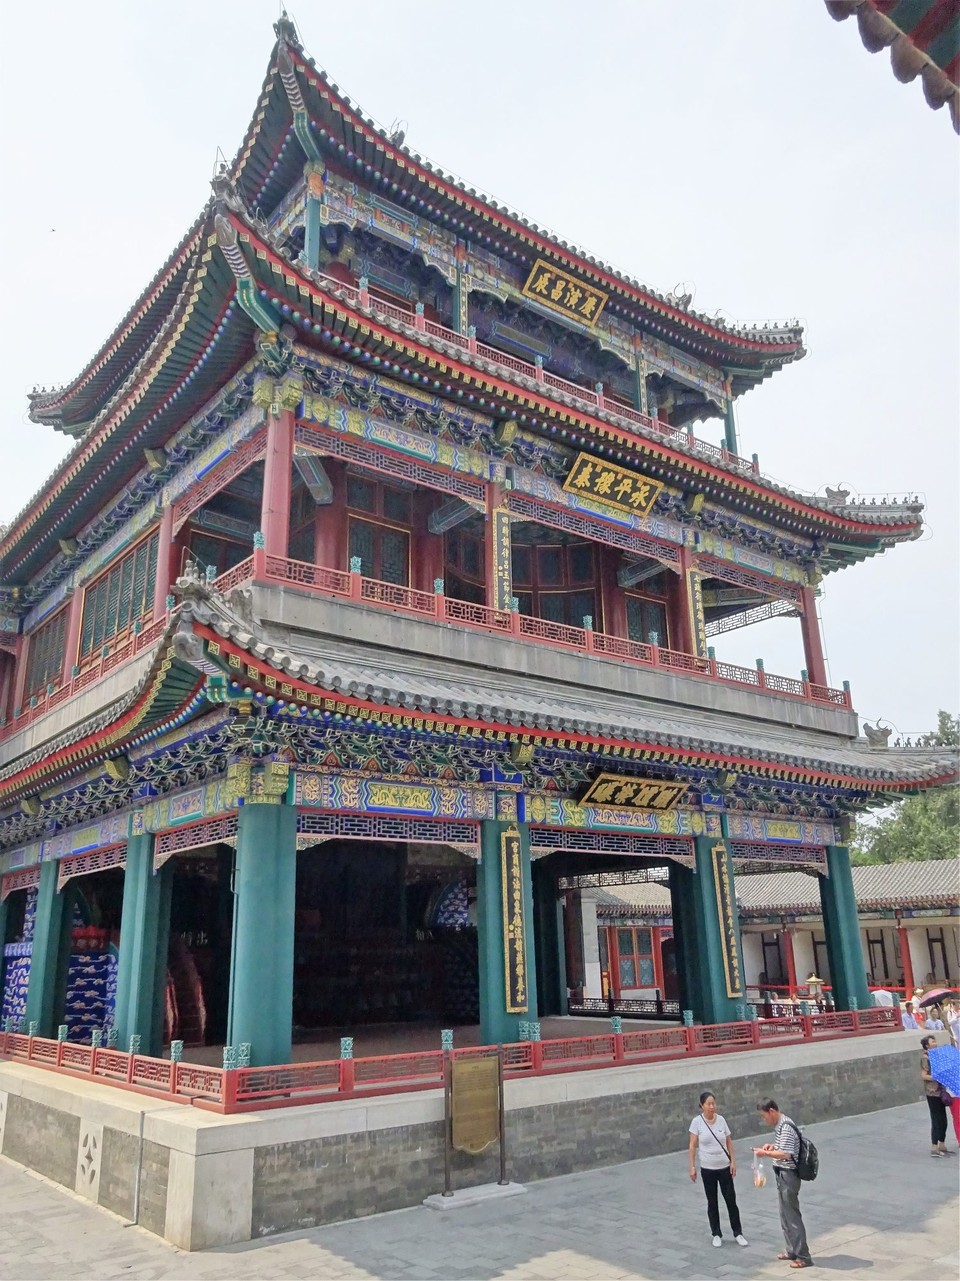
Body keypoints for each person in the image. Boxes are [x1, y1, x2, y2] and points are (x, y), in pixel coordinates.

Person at [754, 1098, 813, 1269]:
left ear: (772, 1111)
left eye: (764, 1116)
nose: (765, 1120)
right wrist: (772, 1147)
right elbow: (783, 1147)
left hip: (789, 1175)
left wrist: (764, 1153)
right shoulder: (781, 1125)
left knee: (792, 1215)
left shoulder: (785, 1126)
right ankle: (791, 1250)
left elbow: (786, 1154)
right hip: (782, 1174)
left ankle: (803, 1255)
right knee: (784, 1214)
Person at [688, 1090, 748, 1249]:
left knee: (731, 1200)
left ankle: (738, 1232)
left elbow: (729, 1142)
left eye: (713, 1103)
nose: (712, 1106)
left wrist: (733, 1162)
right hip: (708, 1169)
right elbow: (692, 1146)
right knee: (712, 1202)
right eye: (709, 1104)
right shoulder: (697, 1122)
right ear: (702, 1106)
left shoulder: (721, 1120)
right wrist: (692, 1167)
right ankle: (716, 1233)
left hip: (724, 1167)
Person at [921, 1035, 952, 1156]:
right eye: (932, 1041)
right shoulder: (925, 1058)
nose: (935, 1043)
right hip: (932, 1092)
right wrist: (935, 1077)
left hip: (941, 1091)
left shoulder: (937, 1056)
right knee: (936, 1119)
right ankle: (934, 1146)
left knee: (943, 1119)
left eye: (935, 1041)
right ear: (927, 1045)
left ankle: (942, 1144)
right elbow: (923, 1075)